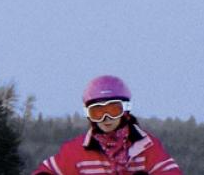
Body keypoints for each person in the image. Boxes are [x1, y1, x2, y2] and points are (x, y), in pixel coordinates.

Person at [32, 75, 183, 175]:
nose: (106, 118)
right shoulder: (76, 152)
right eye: (97, 112)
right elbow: (45, 171)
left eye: (113, 110)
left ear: (125, 110)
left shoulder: (146, 147)